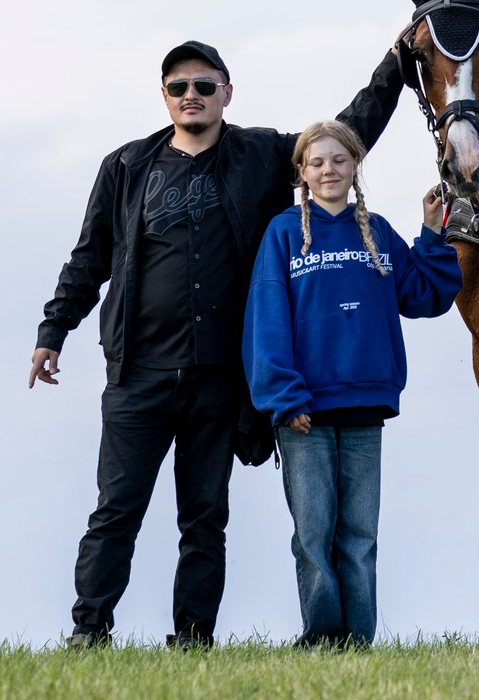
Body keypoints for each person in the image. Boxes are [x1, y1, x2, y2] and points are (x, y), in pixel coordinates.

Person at [30, 39, 405, 648]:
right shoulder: (125, 167)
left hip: (218, 378)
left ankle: (193, 639)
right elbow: (89, 258)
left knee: (205, 519)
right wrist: (54, 331)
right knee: (116, 510)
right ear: (164, 97)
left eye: (204, 86)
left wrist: (401, 57)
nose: (192, 96)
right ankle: (88, 632)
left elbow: (345, 133)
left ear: (227, 93)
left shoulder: (261, 155)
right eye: (179, 87)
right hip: (139, 374)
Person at [243, 120, 462, 648]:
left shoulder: (378, 232)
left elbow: (425, 295)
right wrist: (284, 397)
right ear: (301, 171)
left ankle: (358, 639)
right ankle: (322, 636)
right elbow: (266, 319)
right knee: (313, 533)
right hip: (304, 410)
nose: (329, 170)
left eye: (339, 160)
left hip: (365, 405)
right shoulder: (282, 234)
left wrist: (432, 232)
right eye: (317, 162)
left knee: (360, 536)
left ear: (355, 165)